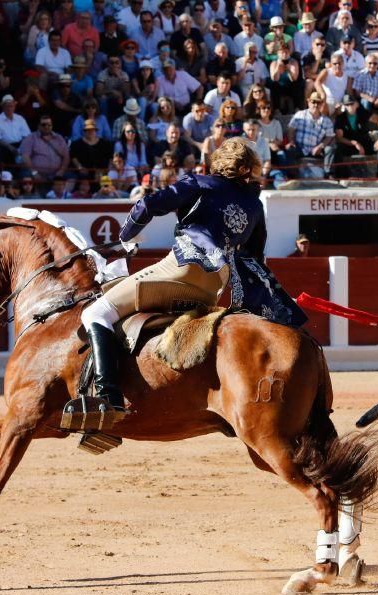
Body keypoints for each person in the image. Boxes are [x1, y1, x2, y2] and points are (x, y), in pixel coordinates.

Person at [76, 137, 305, 427]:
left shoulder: (200, 183)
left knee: (96, 312)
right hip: (213, 288)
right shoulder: (254, 204)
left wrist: (127, 235)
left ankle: (108, 398)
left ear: (220, 162)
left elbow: (148, 205)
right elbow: (255, 259)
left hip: (179, 271)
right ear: (250, 168)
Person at [333, 94, 378, 177]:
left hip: (364, 143)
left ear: (356, 104)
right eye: (347, 105)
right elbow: (339, 138)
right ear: (344, 106)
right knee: (337, 148)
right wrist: (354, 143)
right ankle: (341, 176)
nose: (350, 107)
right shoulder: (341, 118)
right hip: (349, 145)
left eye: (351, 104)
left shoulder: (362, 113)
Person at [286, 91, 336, 178]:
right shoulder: (300, 115)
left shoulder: (327, 120)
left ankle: (329, 174)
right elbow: (291, 129)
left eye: (318, 102)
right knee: (289, 149)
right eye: (313, 102)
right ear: (308, 102)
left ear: (321, 104)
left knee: (331, 148)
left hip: (316, 150)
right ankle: (291, 176)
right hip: (300, 147)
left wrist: (321, 146)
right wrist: (291, 141)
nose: (316, 105)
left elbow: (329, 136)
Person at [20, 115, 70, 183]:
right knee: (25, 175)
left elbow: (66, 156)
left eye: (49, 125)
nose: (46, 127)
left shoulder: (59, 138)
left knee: (72, 176)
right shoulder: (30, 138)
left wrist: (61, 171)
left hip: (56, 173)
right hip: (37, 173)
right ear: (38, 126)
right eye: (43, 125)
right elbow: (25, 157)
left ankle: (62, 193)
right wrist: (34, 172)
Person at [353, 52, 378, 128]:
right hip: (366, 99)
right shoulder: (359, 74)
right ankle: (364, 128)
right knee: (365, 103)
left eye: (375, 63)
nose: (372, 65)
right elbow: (357, 92)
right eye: (370, 63)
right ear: (365, 64)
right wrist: (369, 98)